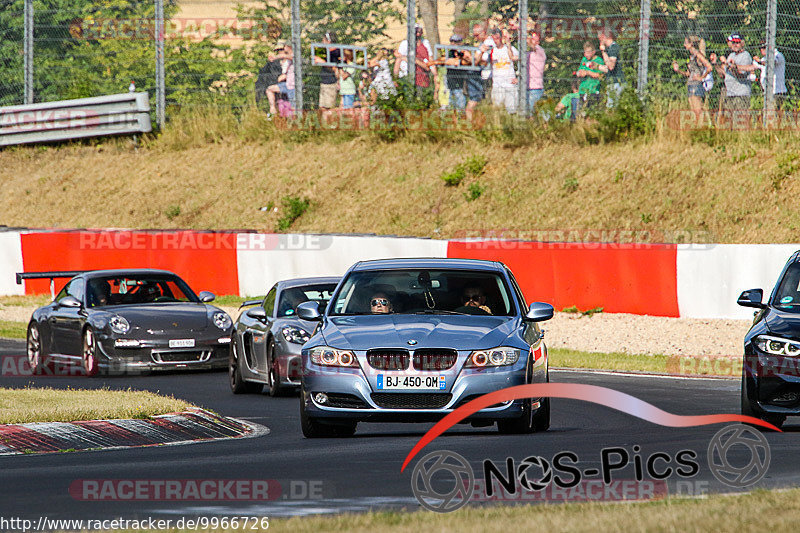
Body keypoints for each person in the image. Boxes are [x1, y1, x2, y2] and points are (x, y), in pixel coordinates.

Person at [672, 36, 712, 122]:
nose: (684, 45)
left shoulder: (698, 55)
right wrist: (678, 70)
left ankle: (703, 129)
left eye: (686, 43)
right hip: (690, 85)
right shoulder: (692, 57)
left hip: (696, 86)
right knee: (694, 112)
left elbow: (709, 67)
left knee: (698, 112)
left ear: (691, 44)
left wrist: (701, 77)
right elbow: (688, 74)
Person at [717, 33, 754, 123]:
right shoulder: (731, 55)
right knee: (729, 122)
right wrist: (716, 64)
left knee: (740, 122)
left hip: (740, 94)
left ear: (742, 43)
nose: (735, 45)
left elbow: (741, 75)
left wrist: (730, 66)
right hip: (730, 94)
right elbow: (723, 75)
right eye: (733, 42)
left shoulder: (745, 56)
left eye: (737, 43)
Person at [486, 28, 519, 114]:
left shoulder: (510, 49)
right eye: (494, 39)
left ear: (501, 38)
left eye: (497, 38)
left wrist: (519, 77)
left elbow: (522, 62)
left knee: (511, 110)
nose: (495, 41)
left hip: (509, 84)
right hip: (497, 85)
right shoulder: (491, 51)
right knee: (497, 110)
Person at [466, 22, 493, 121]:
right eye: (474, 35)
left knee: (482, 101)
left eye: (477, 35)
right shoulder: (482, 44)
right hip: (482, 75)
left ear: (484, 32)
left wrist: (473, 58)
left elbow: (480, 61)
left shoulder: (488, 43)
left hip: (488, 76)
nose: (475, 37)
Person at [754, 40, 788, 110]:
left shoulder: (777, 55)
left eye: (763, 47)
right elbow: (754, 66)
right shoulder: (764, 58)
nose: (761, 50)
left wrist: (759, 61)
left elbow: (771, 63)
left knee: (775, 113)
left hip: (777, 91)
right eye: (760, 48)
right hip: (767, 92)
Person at [255, 43, 285, 115]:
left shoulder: (291, 61)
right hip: (276, 86)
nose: (280, 52)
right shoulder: (273, 64)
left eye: (282, 50)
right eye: (278, 50)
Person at [314, 31, 340, 111]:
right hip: (324, 82)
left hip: (331, 83)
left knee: (329, 108)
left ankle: (330, 123)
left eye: (324, 40)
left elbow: (335, 68)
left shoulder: (336, 52)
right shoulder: (324, 52)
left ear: (328, 41)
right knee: (322, 107)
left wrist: (322, 62)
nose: (322, 42)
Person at [598, 29, 623, 106]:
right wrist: (597, 67)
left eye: (599, 38)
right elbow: (609, 68)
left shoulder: (613, 48)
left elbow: (611, 66)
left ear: (603, 36)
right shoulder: (610, 49)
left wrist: (603, 52)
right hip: (612, 83)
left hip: (616, 83)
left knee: (612, 108)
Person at [443, 33, 469, 111]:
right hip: (450, 80)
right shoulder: (450, 52)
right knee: (450, 101)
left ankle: (460, 114)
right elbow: (446, 61)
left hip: (460, 81)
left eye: (455, 42)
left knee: (460, 101)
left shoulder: (463, 52)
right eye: (452, 41)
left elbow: (466, 61)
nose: (453, 44)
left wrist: (458, 59)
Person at [576, 41, 604, 108]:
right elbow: (578, 71)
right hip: (582, 90)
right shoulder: (584, 59)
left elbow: (600, 75)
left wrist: (588, 73)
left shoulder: (598, 60)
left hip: (593, 90)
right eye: (585, 52)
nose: (586, 55)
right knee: (581, 112)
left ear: (593, 52)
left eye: (588, 52)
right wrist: (579, 73)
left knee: (591, 111)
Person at [527, 31, 546, 113]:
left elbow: (533, 46)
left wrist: (527, 39)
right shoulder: (528, 53)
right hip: (526, 87)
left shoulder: (540, 51)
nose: (531, 40)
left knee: (533, 113)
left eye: (533, 39)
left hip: (535, 88)